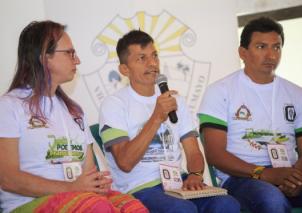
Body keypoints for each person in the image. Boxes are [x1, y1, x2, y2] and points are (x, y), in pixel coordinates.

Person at [0, 20, 148, 213]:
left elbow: (87, 172)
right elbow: (7, 179)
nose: (77, 60)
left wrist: (97, 184)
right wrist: (71, 188)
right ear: (44, 56)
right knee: (97, 207)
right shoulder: (9, 106)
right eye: (70, 53)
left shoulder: (74, 111)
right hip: (26, 205)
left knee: (132, 206)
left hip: (77, 196)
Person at [98, 30, 240, 213]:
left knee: (227, 204)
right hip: (139, 189)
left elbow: (193, 151)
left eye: (154, 56)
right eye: (142, 58)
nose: (152, 63)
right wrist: (156, 117)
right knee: (183, 210)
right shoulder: (114, 104)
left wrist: (195, 174)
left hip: (177, 182)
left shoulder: (175, 100)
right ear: (125, 69)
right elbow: (125, 162)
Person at [198, 16, 302, 212]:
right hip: (241, 177)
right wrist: (265, 174)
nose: (271, 56)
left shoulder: (297, 93)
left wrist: (294, 177)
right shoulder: (220, 91)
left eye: (276, 47)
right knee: (271, 200)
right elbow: (215, 154)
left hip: (289, 172)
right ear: (242, 52)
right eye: (261, 47)